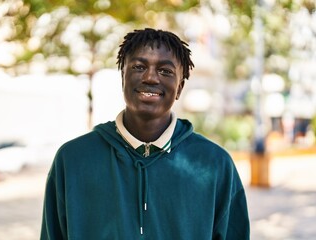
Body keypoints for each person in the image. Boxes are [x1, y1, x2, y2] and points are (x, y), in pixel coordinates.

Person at [40, 28, 250, 240]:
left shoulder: (214, 164)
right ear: (123, 77)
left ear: (179, 88)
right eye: (139, 67)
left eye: (165, 71)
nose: (150, 77)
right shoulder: (73, 159)